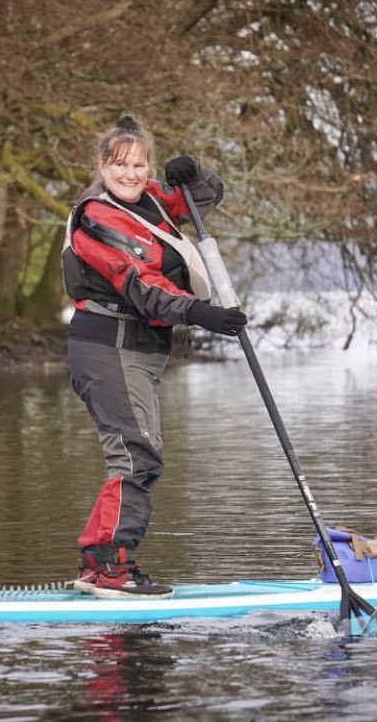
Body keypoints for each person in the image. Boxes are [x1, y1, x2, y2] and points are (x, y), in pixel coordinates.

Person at [62, 115, 248, 599]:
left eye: (140, 165)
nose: (130, 174)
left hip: (138, 351)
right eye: (120, 165)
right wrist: (199, 312)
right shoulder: (97, 218)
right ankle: (114, 571)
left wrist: (195, 174)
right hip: (108, 346)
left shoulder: (150, 202)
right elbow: (142, 286)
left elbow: (200, 201)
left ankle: (98, 564)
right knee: (137, 457)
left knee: (137, 455)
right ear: (102, 166)